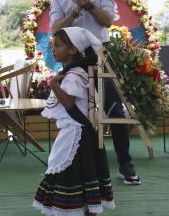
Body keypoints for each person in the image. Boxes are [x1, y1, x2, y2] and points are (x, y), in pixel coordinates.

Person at [49, 0, 141, 185]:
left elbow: (108, 21)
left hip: (101, 55)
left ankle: (125, 164)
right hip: (73, 59)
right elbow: (55, 28)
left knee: (114, 109)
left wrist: (89, 5)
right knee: (75, 111)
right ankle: (75, 165)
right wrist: (74, 11)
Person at [33, 27, 115, 216]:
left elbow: (69, 103)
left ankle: (73, 210)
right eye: (53, 46)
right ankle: (84, 209)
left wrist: (54, 85)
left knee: (71, 175)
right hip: (80, 132)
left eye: (58, 46)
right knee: (83, 174)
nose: (53, 50)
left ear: (73, 49)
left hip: (77, 132)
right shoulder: (77, 71)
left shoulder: (73, 74)